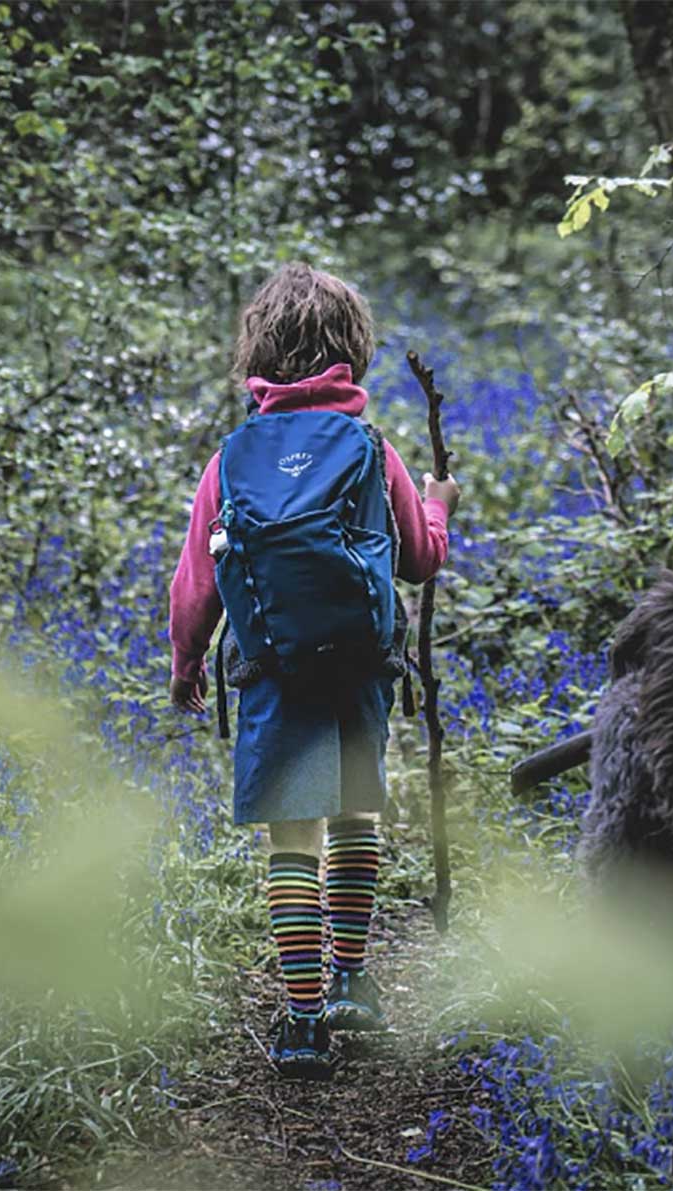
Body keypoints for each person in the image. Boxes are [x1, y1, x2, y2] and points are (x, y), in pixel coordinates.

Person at [168, 263, 459, 1079]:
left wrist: (187, 662)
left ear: (258, 352)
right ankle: (352, 981)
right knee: (357, 816)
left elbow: (196, 582)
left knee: (291, 843)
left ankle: (300, 1023)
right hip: (362, 667)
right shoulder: (372, 449)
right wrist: (439, 501)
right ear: (352, 352)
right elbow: (420, 559)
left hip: (270, 671)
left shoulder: (230, 460)